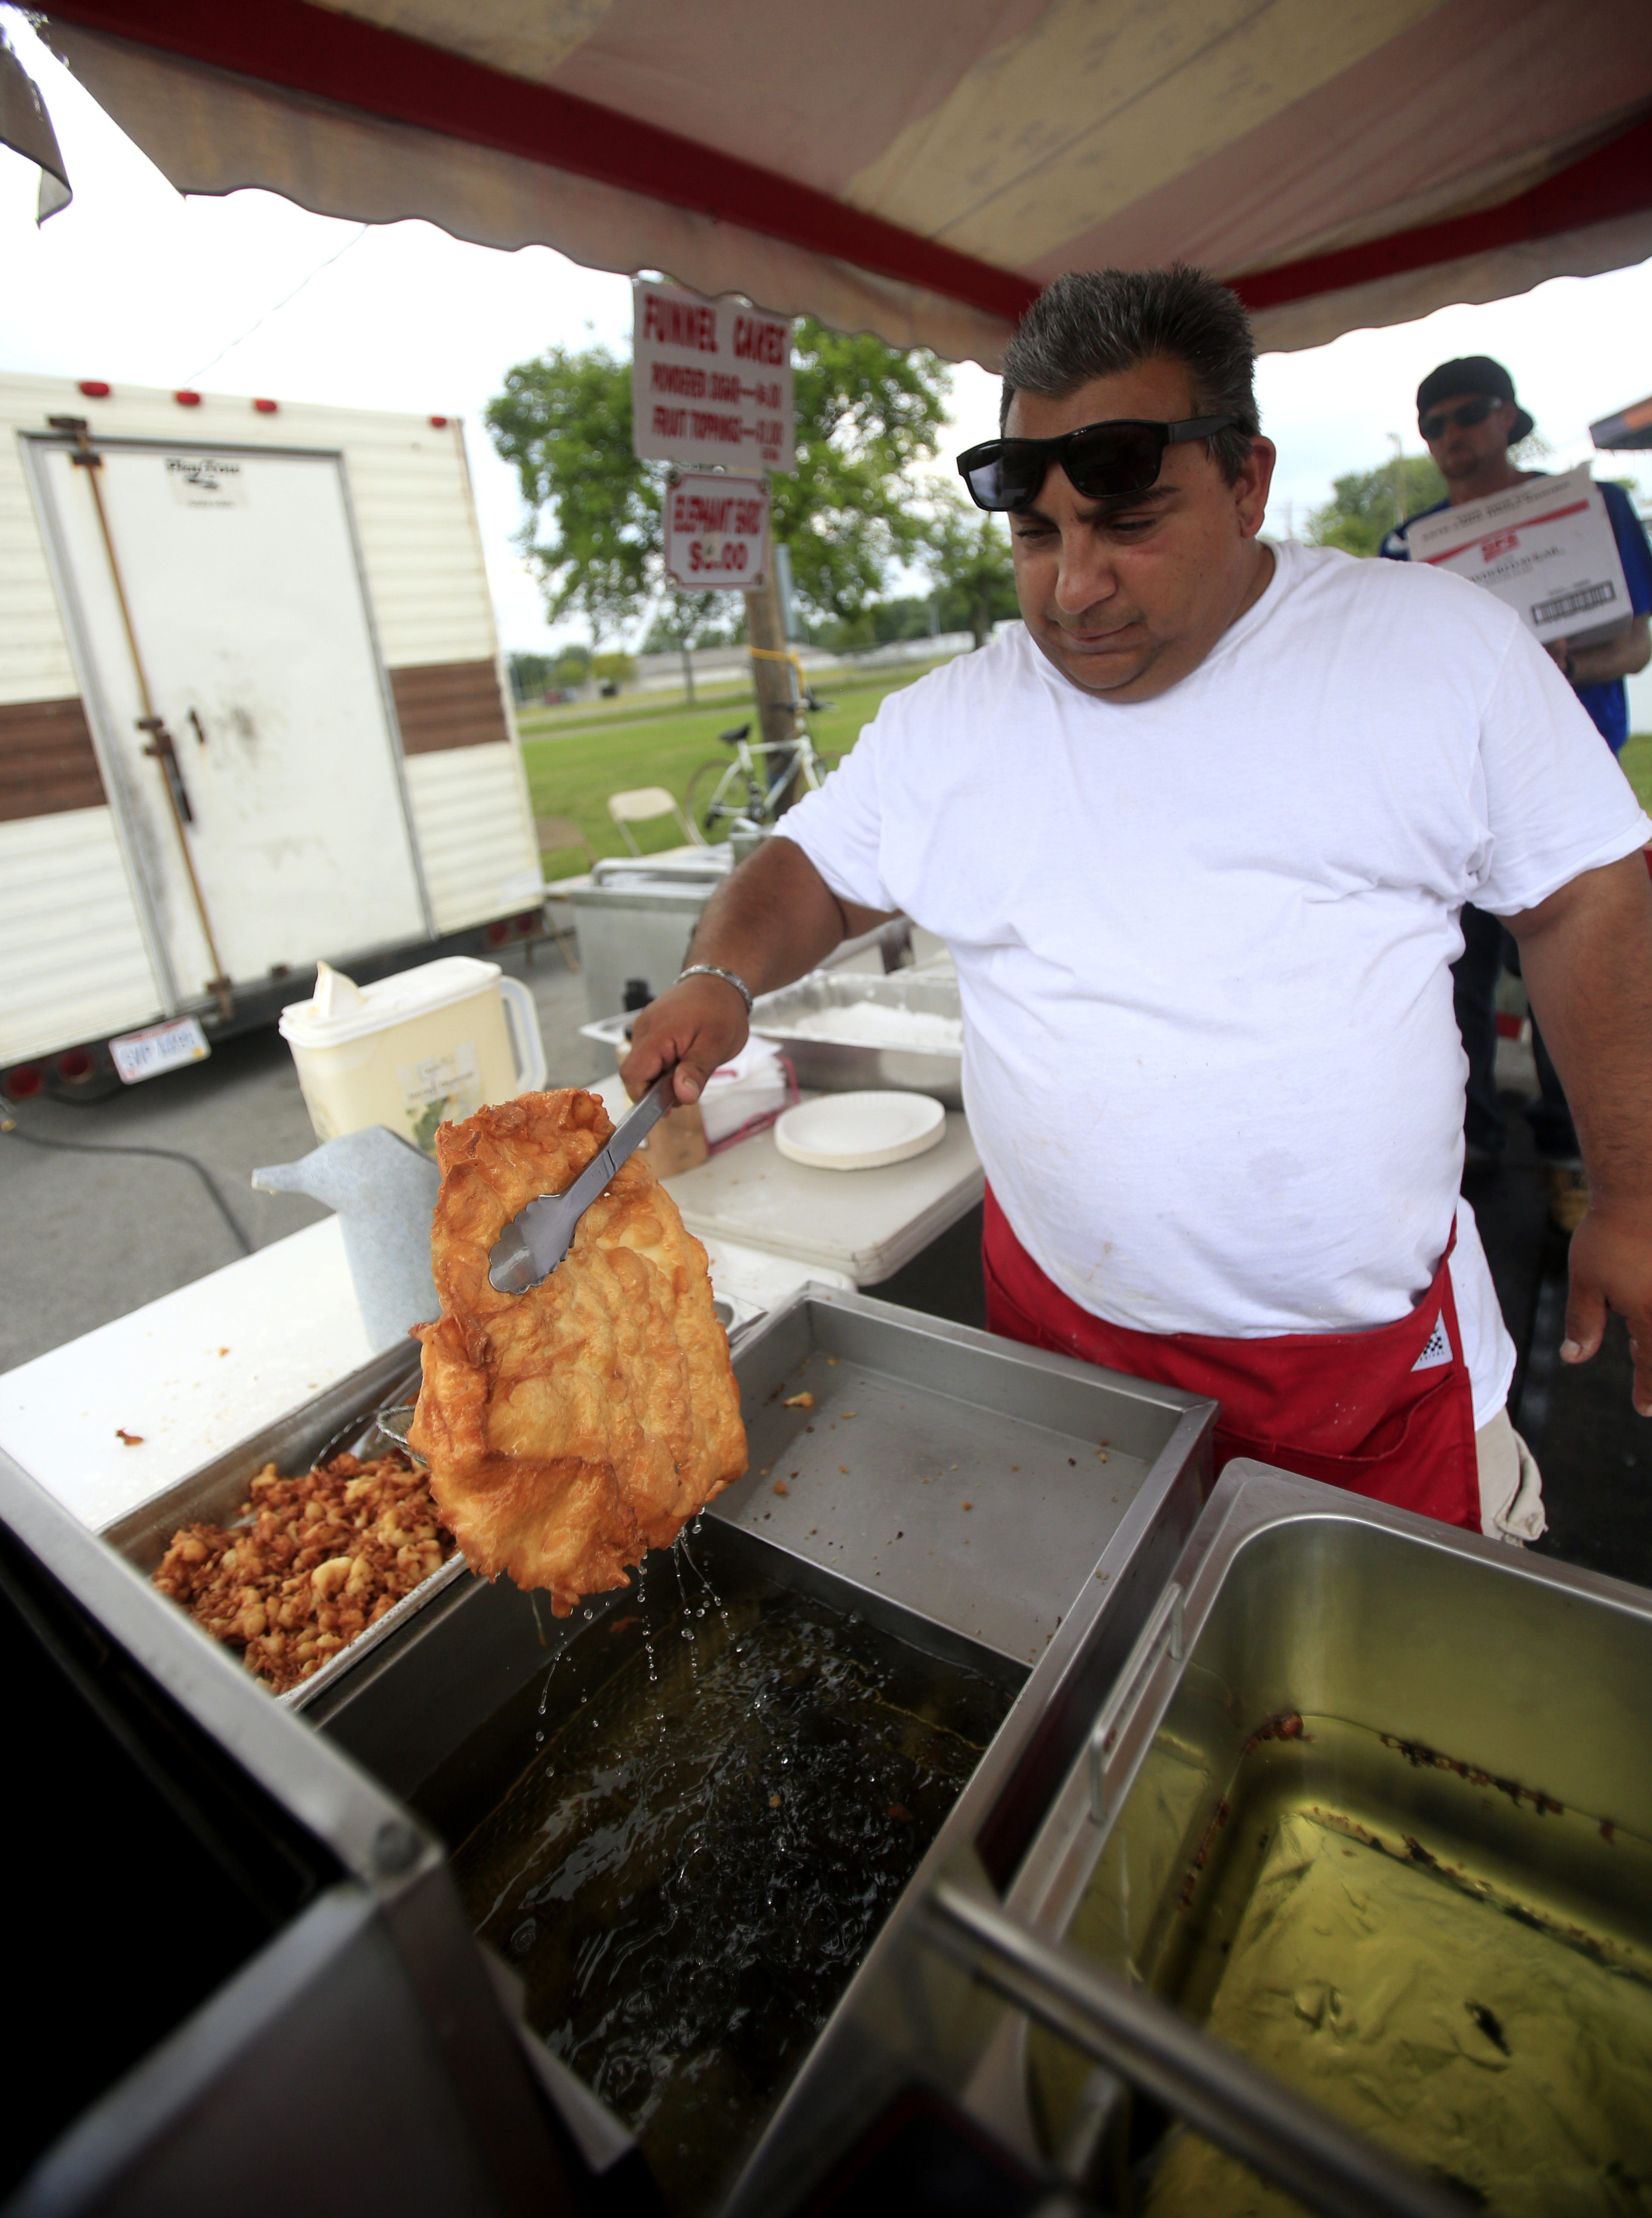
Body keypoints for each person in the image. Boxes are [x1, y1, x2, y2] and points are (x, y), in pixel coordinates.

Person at [624, 269, 1652, 1548]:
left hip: (1361, 1373)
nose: (1074, 588)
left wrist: (1632, 1191)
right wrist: (720, 977)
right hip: (1067, 1350)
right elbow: (811, 869)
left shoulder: (1437, 651)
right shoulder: (960, 720)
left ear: (1248, 480)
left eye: (1128, 523)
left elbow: (1587, 897)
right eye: (1038, 536)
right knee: (1106, 1697)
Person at [1382, 356, 1652, 1224]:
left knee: (1573, 981)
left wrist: (1567, 664)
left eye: (1467, 415)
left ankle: (1582, 1160)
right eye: (1433, 424)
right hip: (1450, 796)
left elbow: (1635, 645)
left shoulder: (1590, 509)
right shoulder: (1407, 545)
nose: (1451, 437)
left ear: (1509, 417)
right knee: (1451, 976)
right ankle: (1469, 1141)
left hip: (1570, 787)